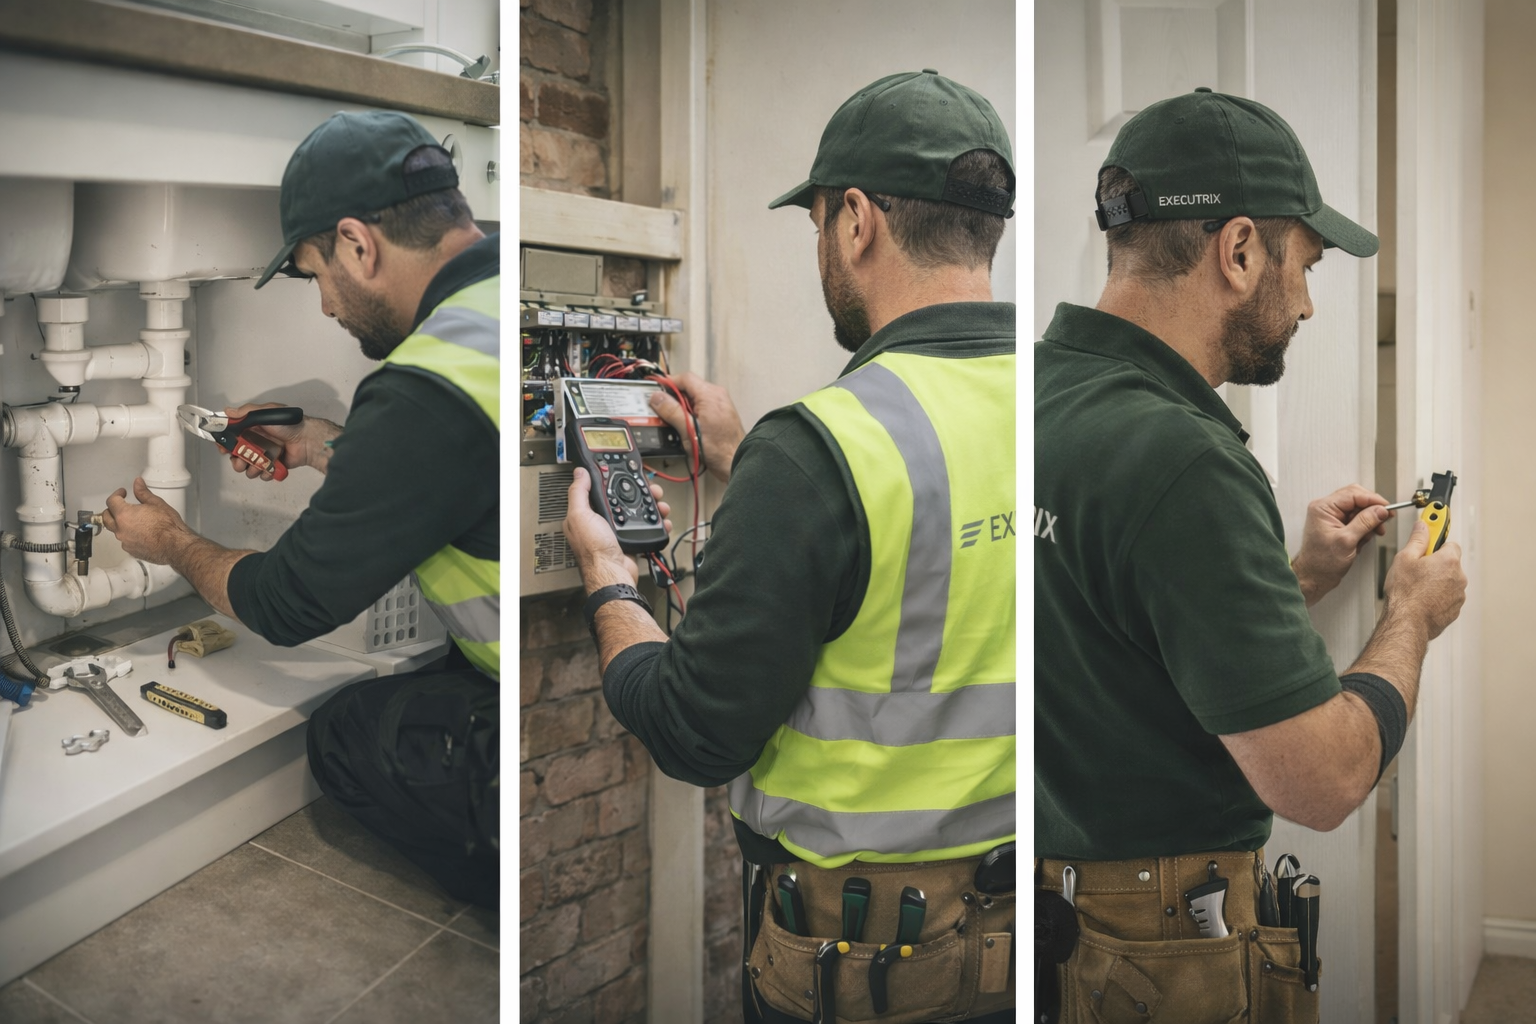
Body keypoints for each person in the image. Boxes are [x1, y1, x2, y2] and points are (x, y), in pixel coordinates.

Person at [563, 69, 1017, 1024]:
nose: (822, 246)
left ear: (856, 220)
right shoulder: (1073, 408)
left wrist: (610, 582)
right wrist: (746, 458)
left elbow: (694, 731)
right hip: (1033, 937)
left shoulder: (821, 450)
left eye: (817, 223)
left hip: (864, 969)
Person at [1034, 88, 1468, 1020]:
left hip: (1044, 915)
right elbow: (1323, 778)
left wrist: (1296, 580)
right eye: (1304, 264)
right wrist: (1411, 616)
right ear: (1237, 252)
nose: (1308, 303)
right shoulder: (1184, 459)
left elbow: (1112, 620)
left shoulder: (1032, 398)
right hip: (1156, 951)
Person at [101, 111, 499, 909]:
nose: (325, 305)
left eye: (317, 274)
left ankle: (500, 874)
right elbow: (449, 464)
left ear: (359, 243)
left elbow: (285, 605)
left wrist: (173, 543)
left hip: (519, 697)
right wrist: (317, 444)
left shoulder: (425, 382)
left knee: (347, 738)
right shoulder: (499, 303)